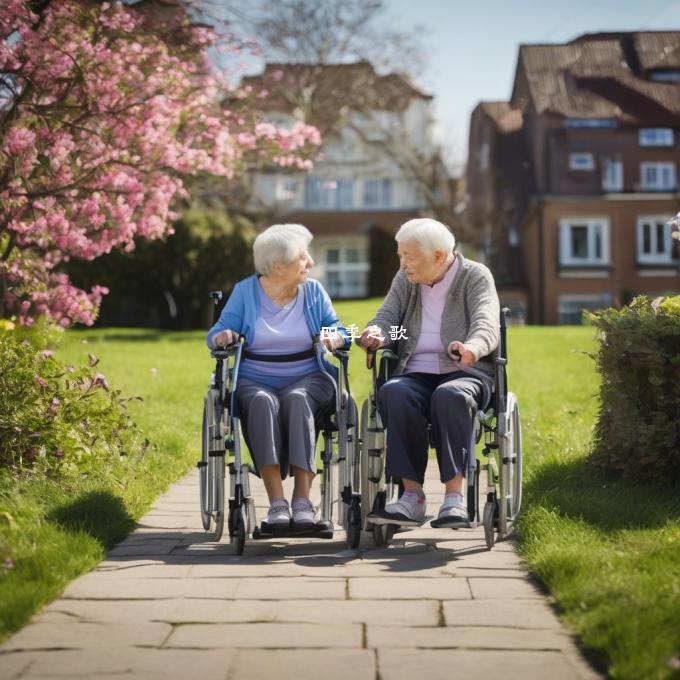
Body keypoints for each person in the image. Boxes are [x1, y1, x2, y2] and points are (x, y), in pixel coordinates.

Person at [357, 218, 500, 527]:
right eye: (400, 255)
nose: (403, 263)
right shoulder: (406, 279)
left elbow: (487, 323)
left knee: (449, 395)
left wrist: (473, 347)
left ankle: (454, 499)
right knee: (394, 391)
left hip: (465, 372)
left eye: (409, 256)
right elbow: (388, 318)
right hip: (415, 371)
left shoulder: (475, 276)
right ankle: (412, 498)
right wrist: (377, 333)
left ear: (438, 256)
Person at [206, 224, 348, 529]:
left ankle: (302, 501)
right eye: (302, 257)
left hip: (311, 375)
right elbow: (216, 333)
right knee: (259, 402)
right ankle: (277, 504)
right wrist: (223, 337)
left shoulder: (313, 292)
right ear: (277, 267)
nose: (310, 262)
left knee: (297, 400)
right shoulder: (245, 292)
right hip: (256, 378)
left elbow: (338, 328)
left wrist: (334, 338)